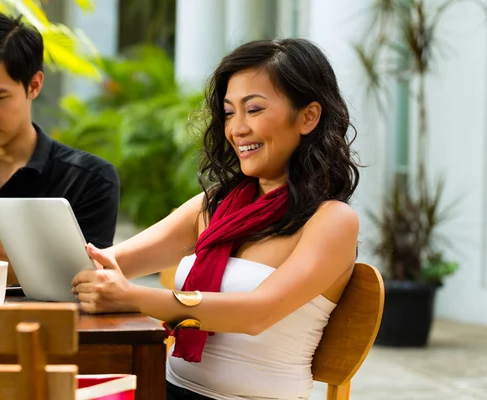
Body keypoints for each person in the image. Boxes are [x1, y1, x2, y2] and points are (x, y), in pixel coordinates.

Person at [72, 38, 361, 400]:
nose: (236, 129)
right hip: (166, 390)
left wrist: (134, 298)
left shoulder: (331, 220)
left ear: (308, 116)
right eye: (228, 112)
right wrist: (10, 250)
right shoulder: (215, 205)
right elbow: (108, 262)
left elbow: (256, 313)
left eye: (253, 109)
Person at [0, 11, 120, 284]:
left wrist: (3, 259)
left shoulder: (89, 179)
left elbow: (87, 288)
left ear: (34, 85)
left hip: (44, 326)